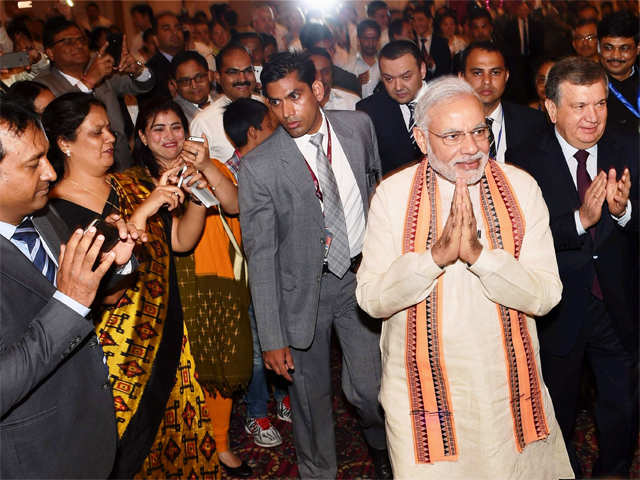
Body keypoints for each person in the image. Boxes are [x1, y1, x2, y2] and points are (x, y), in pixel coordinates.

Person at [356, 75, 573, 479]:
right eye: (453, 135)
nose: (471, 147)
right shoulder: (393, 195)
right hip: (422, 399)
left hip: (506, 392)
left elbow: (546, 295)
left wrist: (479, 256)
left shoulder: (522, 188)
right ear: (421, 139)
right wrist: (433, 258)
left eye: (478, 130)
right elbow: (371, 299)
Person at [40, 92, 221, 478]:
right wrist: (143, 211)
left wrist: (196, 198)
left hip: (168, 339)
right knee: (126, 456)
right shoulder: (50, 210)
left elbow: (180, 242)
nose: (111, 137)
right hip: (113, 361)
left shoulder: (133, 183)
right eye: (96, 132)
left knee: (177, 450)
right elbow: (102, 288)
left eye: (109, 128)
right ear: (64, 143)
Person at [238, 52, 391, 480]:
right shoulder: (259, 166)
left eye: (295, 96)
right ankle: (317, 472)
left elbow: (375, 184)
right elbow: (261, 256)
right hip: (302, 295)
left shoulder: (359, 128)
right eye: (274, 102)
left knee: (368, 390)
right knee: (309, 401)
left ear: (318, 91)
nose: (286, 112)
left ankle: (380, 443)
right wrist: (271, 337)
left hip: (360, 279)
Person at [507, 57, 638, 478]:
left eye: (599, 104)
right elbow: (522, 236)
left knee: (621, 405)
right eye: (579, 106)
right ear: (550, 109)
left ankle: (613, 471)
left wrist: (624, 212)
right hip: (559, 308)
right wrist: (582, 219)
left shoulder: (629, 147)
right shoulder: (525, 159)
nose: (592, 117)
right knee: (557, 407)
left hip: (617, 302)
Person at [0, 100, 136, 479]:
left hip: (87, 432)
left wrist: (113, 261)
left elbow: (83, 297)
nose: (49, 172)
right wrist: (69, 302)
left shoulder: (41, 215)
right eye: (33, 163)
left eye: (47, 156)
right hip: (38, 456)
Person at [222, 97, 288, 449]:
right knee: (257, 349)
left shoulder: (276, 163)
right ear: (254, 132)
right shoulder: (229, 173)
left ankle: (281, 396)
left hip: (278, 269)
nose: (279, 131)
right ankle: (256, 411)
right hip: (245, 278)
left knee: (281, 337)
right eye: (272, 125)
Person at [36, 16, 153, 171]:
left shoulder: (101, 70)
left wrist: (136, 69)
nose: (78, 45)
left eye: (81, 40)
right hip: (79, 172)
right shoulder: (43, 85)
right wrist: (88, 82)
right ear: (50, 52)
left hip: (122, 164)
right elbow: (59, 121)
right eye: (68, 42)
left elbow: (143, 86)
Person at [460, 41, 547, 163]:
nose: (487, 81)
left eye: (495, 73)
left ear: (506, 76)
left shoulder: (534, 123)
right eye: (477, 73)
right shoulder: (445, 125)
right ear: (462, 77)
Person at [357, 40, 427, 174]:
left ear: (422, 70)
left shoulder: (447, 101)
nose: (398, 87)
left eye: (406, 77)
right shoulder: (369, 111)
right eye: (389, 79)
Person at [190, 44, 261, 162]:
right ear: (217, 77)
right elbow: (198, 173)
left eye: (248, 71)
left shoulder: (267, 106)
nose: (242, 79)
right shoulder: (204, 123)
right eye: (233, 72)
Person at [597, 11, 639, 134]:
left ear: (638, 48)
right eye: (608, 48)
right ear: (598, 47)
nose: (615, 55)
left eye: (624, 48)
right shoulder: (585, 86)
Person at [299, 22, 361, 97]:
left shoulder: (348, 81)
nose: (330, 54)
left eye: (331, 48)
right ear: (306, 51)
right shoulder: (297, 80)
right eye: (323, 50)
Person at [138, 11, 184, 107]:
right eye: (167, 29)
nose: (174, 32)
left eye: (178, 28)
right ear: (155, 39)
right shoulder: (149, 72)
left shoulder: (192, 61)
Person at [308, 47, 360, 111]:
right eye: (314, 73)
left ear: (332, 73)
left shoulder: (352, 102)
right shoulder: (297, 106)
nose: (320, 78)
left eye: (325, 72)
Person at [170, 50, 215, 123]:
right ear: (175, 84)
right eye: (185, 81)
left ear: (209, 75)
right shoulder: (174, 115)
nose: (194, 86)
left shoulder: (224, 99)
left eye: (199, 77)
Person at [344, 19, 381, 99]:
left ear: (379, 39)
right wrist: (356, 84)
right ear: (358, 39)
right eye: (366, 38)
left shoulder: (385, 65)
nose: (370, 43)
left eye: (374, 38)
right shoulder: (349, 68)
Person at [411, 8, 452, 79]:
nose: (416, 24)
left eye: (420, 20)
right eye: (414, 20)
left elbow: (447, 71)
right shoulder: (411, 43)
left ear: (430, 21)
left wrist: (433, 66)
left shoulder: (441, 43)